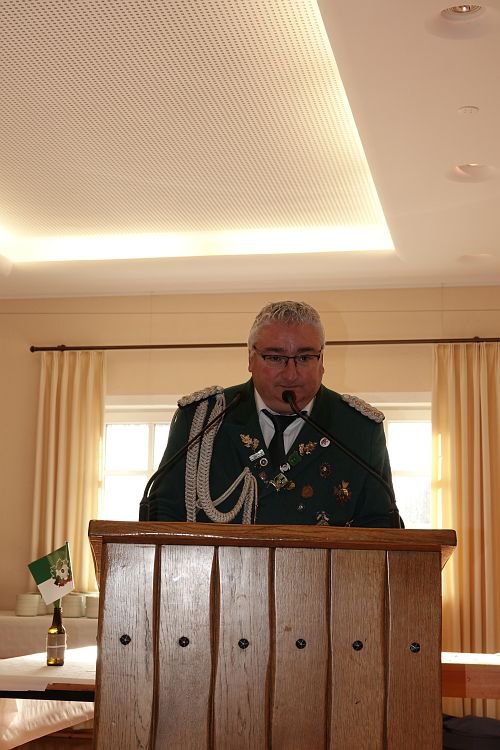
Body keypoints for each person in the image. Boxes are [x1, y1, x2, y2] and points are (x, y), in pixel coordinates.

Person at [143, 300, 400, 527]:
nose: (291, 374)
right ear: (250, 359)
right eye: (275, 358)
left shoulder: (358, 429)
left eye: (304, 358)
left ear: (322, 361)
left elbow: (381, 524)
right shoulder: (202, 420)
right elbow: (163, 514)